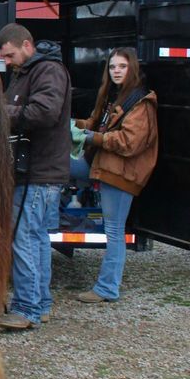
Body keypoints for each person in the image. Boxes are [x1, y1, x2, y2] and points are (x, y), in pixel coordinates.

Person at [0, 24, 71, 331]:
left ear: (27, 45)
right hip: (39, 170)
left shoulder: (47, 70)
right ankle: (40, 305)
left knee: (22, 237)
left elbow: (44, 112)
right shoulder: (28, 72)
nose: (8, 62)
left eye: (11, 55)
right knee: (37, 238)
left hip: (37, 172)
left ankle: (25, 309)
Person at [70, 47, 158, 303]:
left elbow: (130, 142)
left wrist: (91, 137)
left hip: (120, 173)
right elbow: (95, 123)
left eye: (122, 66)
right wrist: (71, 124)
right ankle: (48, 215)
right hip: (103, 165)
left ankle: (108, 288)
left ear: (132, 69)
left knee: (114, 230)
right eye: (112, 67)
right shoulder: (114, 96)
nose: (116, 71)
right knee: (55, 165)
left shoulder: (141, 102)